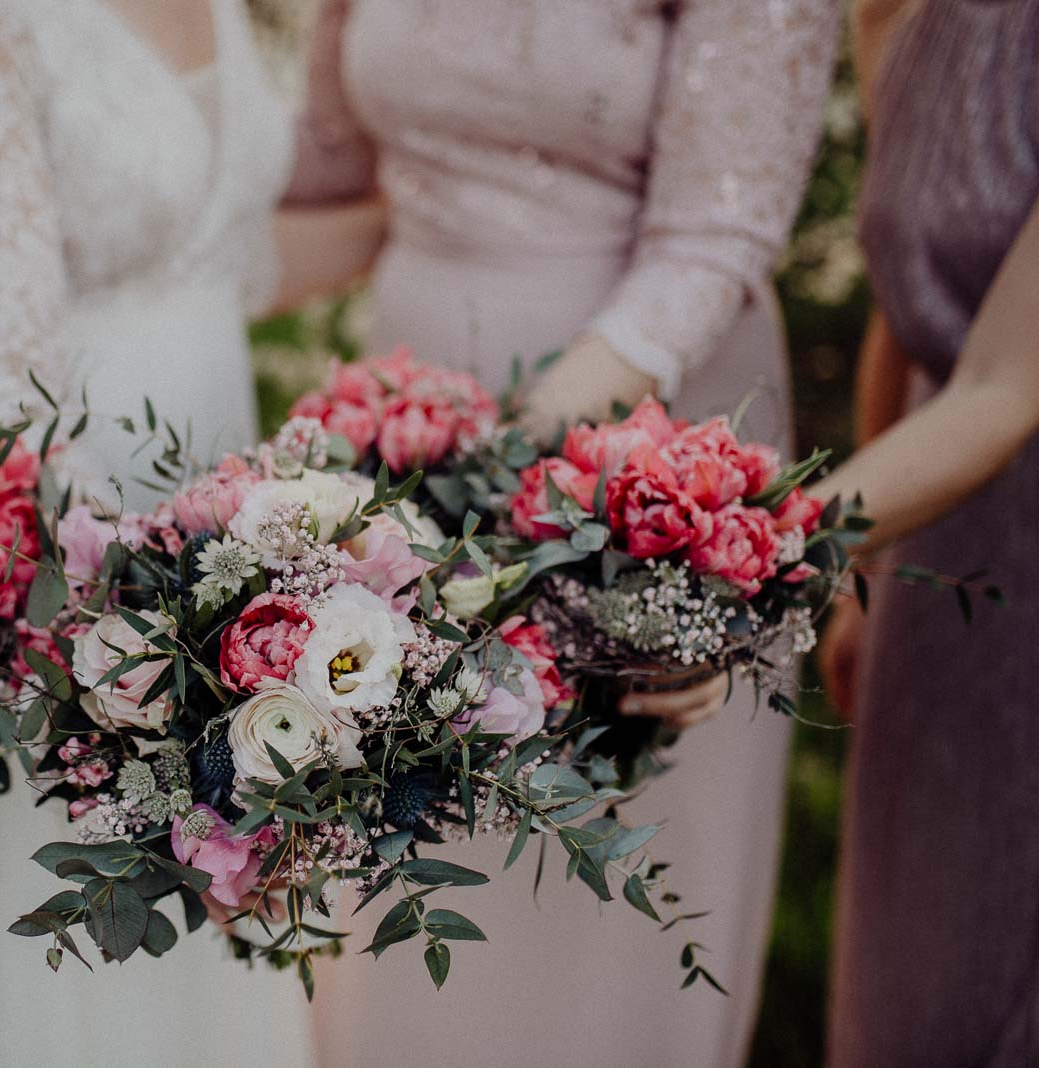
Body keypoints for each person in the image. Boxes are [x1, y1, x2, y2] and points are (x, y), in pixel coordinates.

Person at [0, 1, 378, 1063]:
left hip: (212, 506)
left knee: (208, 992)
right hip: (38, 572)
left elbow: (216, 256)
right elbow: (4, 410)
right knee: (76, 980)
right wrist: (193, 686)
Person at [285, 1, 838, 1063]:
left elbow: (715, 236)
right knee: (397, 865)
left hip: (634, 450)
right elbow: (322, 158)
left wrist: (485, 465)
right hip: (408, 396)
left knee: (587, 884)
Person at [813, 0, 1039, 1062]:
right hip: (931, 534)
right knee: (917, 972)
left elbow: (1006, 379)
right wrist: (860, 570)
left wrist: (738, 546)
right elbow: (899, 315)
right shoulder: (887, 14)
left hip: (1012, 479)